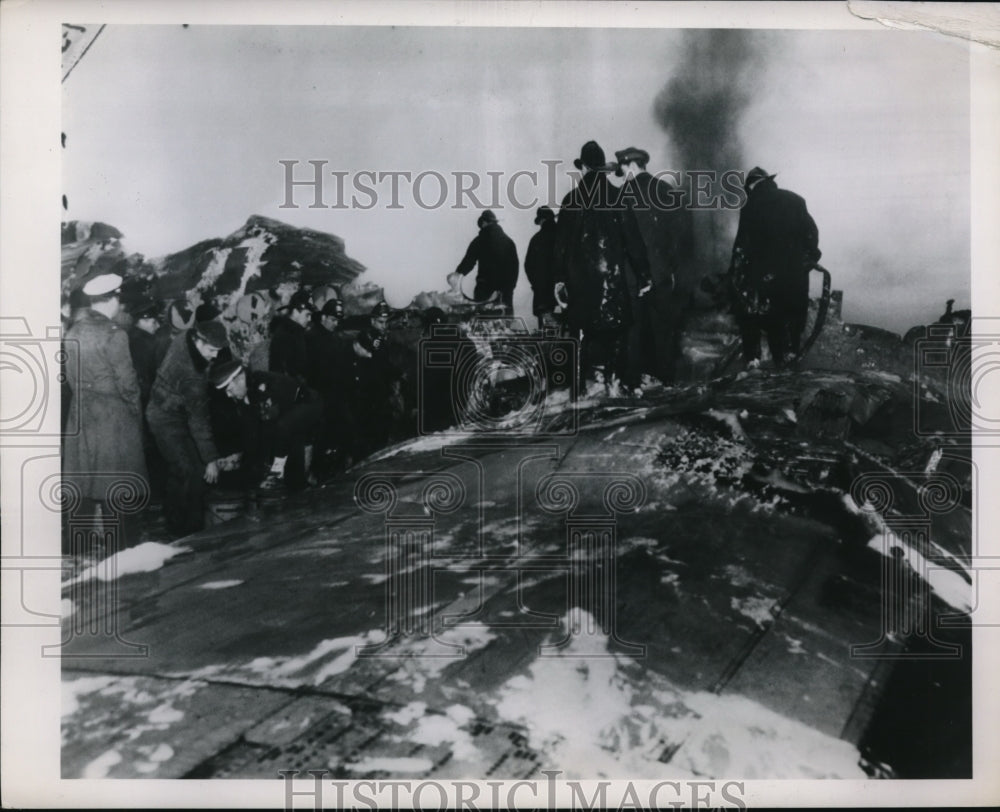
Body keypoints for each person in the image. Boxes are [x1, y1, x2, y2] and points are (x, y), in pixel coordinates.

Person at [553, 140, 651, 394]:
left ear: (583, 167)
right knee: (617, 335)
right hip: (611, 282)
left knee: (581, 336)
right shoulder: (618, 196)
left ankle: (577, 392)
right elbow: (633, 241)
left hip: (580, 286)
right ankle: (617, 386)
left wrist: (560, 281)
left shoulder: (570, 200)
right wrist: (644, 276)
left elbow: (560, 248)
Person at [62, 273, 148, 551]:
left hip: (80, 415)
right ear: (112, 300)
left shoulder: (73, 332)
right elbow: (128, 384)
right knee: (117, 487)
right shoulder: (115, 334)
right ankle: (122, 553)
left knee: (83, 489)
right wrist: (135, 417)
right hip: (113, 417)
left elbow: (71, 379)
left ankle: (76, 555)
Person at [728, 166, 821, 369]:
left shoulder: (751, 205)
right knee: (793, 324)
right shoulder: (796, 200)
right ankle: (791, 362)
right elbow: (811, 234)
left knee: (760, 318)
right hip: (795, 277)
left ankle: (754, 363)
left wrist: (733, 277)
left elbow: (742, 246)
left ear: (751, 186)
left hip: (764, 278)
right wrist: (810, 256)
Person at [146, 318, 229, 537]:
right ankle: (180, 530)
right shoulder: (193, 374)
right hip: (164, 418)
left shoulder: (184, 337)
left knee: (191, 470)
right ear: (198, 340)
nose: (215, 356)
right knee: (185, 470)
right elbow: (199, 421)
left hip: (170, 406)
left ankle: (190, 524)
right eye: (212, 350)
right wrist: (211, 459)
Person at [615, 146, 684, 386]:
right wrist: (670, 268)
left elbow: (620, 240)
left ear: (631, 165)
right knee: (663, 330)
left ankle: (634, 384)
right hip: (662, 273)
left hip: (632, 276)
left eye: (622, 169)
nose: (622, 174)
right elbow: (677, 237)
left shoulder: (621, 195)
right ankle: (667, 382)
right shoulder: (665, 190)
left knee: (633, 332)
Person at [209, 359, 323, 491]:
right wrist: (240, 458)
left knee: (284, 429)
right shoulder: (245, 393)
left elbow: (272, 428)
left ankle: (289, 478)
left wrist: (274, 468)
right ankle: (295, 481)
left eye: (229, 389)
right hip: (287, 414)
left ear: (239, 380)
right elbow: (251, 431)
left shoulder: (263, 387)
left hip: (309, 403)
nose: (228, 395)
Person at [306, 297, 354, 476]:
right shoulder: (313, 338)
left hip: (335, 394)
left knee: (338, 432)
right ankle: (318, 473)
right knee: (322, 436)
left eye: (338, 320)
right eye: (333, 320)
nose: (336, 324)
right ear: (323, 317)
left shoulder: (331, 337)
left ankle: (333, 469)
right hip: (322, 395)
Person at [451, 210, 519, 312]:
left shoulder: (479, 240)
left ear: (484, 223)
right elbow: (515, 267)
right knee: (504, 323)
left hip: (485, 289)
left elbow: (468, 262)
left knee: (484, 323)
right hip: (505, 291)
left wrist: (457, 275)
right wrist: (509, 288)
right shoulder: (509, 242)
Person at [524, 206, 559, 328]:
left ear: (542, 220)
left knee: (547, 332)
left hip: (543, 294)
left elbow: (528, 266)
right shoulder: (564, 237)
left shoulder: (536, 239)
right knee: (567, 331)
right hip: (565, 294)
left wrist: (536, 284)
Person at [268, 289, 313, 383]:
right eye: (307, 315)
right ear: (296, 312)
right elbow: (285, 369)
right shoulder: (287, 333)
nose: (309, 319)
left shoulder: (294, 330)